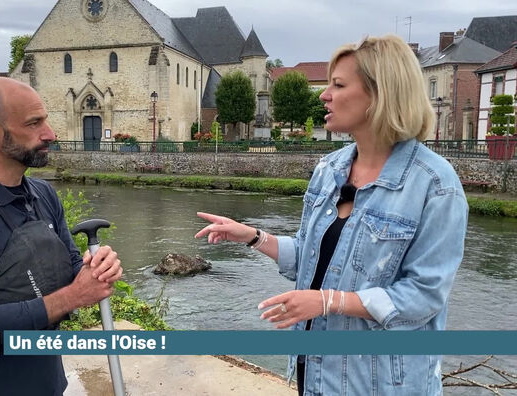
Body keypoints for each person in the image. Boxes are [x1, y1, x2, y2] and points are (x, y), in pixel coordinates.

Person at [195, 35, 468, 396]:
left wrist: (327, 301)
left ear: (380, 93)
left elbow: (425, 296)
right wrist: (253, 237)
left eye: (338, 85)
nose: (324, 95)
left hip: (381, 384)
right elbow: (314, 256)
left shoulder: (435, 184)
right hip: (316, 373)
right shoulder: (330, 168)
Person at [0, 77, 122, 396]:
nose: (50, 134)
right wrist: (74, 296)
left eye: (46, 120)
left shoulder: (43, 195)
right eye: (34, 123)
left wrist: (95, 269)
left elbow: (70, 269)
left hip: (49, 385)